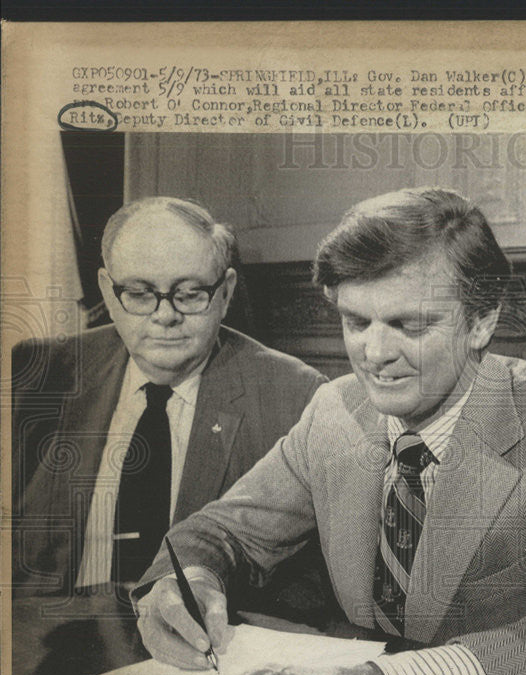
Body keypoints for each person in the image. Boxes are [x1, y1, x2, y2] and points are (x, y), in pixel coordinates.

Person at [133, 187, 526, 675]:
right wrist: (187, 582)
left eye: (408, 324)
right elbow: (224, 531)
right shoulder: (334, 410)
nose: (373, 353)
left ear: (481, 321)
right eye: (355, 321)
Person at [12, 197, 326, 599]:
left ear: (226, 293)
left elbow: (307, 585)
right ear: (108, 293)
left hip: (199, 643)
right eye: (140, 294)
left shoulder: (294, 396)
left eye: (191, 293)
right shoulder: (37, 374)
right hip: (50, 641)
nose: (165, 315)